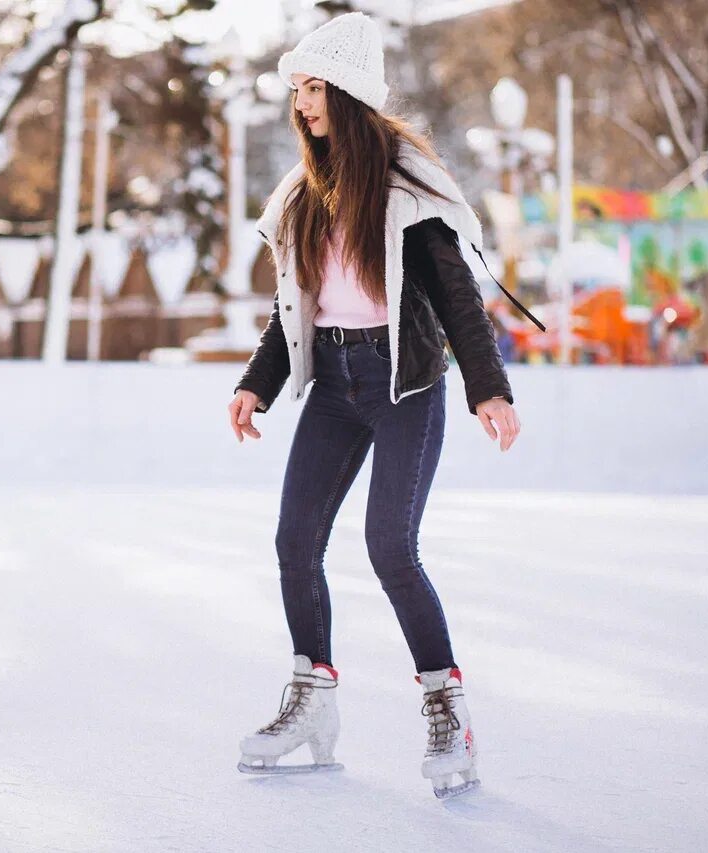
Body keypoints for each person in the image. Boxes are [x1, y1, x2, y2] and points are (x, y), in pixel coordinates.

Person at [225, 12, 528, 799]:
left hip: (405, 385)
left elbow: (458, 299)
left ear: (350, 94)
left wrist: (488, 387)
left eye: (315, 87)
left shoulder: (406, 191)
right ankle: (313, 701)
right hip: (332, 384)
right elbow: (292, 309)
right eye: (296, 89)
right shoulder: (303, 194)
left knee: (390, 547)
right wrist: (256, 383)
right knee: (296, 539)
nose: (302, 104)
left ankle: (445, 706)